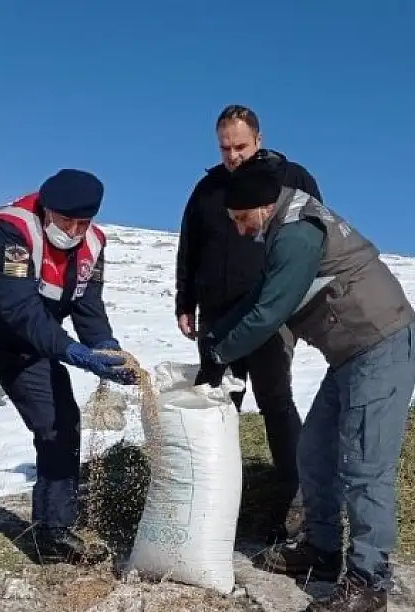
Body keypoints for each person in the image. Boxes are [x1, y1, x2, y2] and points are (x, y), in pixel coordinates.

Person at [202, 158, 415, 612]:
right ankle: (321, 548)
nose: (241, 230)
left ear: (262, 206)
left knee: (365, 468)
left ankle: (369, 582)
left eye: (242, 220)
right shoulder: (279, 231)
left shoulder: (298, 233)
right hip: (348, 354)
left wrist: (219, 354)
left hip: (379, 345)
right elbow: (258, 296)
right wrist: (214, 333)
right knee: (314, 452)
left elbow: (269, 311)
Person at [0, 168, 137, 598]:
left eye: (82, 224)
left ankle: (53, 531)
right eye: (65, 222)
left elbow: (87, 307)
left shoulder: (93, 245)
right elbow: (20, 311)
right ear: (46, 210)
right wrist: (76, 353)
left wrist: (106, 347)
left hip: (26, 345)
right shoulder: (10, 230)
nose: (73, 232)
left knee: (60, 421)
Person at [174, 104, 323, 541]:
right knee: (215, 404)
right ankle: (209, 498)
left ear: (258, 139)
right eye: (225, 148)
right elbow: (190, 246)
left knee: (275, 399)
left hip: (269, 311)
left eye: (240, 146)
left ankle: (293, 499)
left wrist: (298, 303)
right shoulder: (207, 188)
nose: (233, 156)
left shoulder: (291, 177)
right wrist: (186, 301)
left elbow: (314, 238)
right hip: (218, 316)